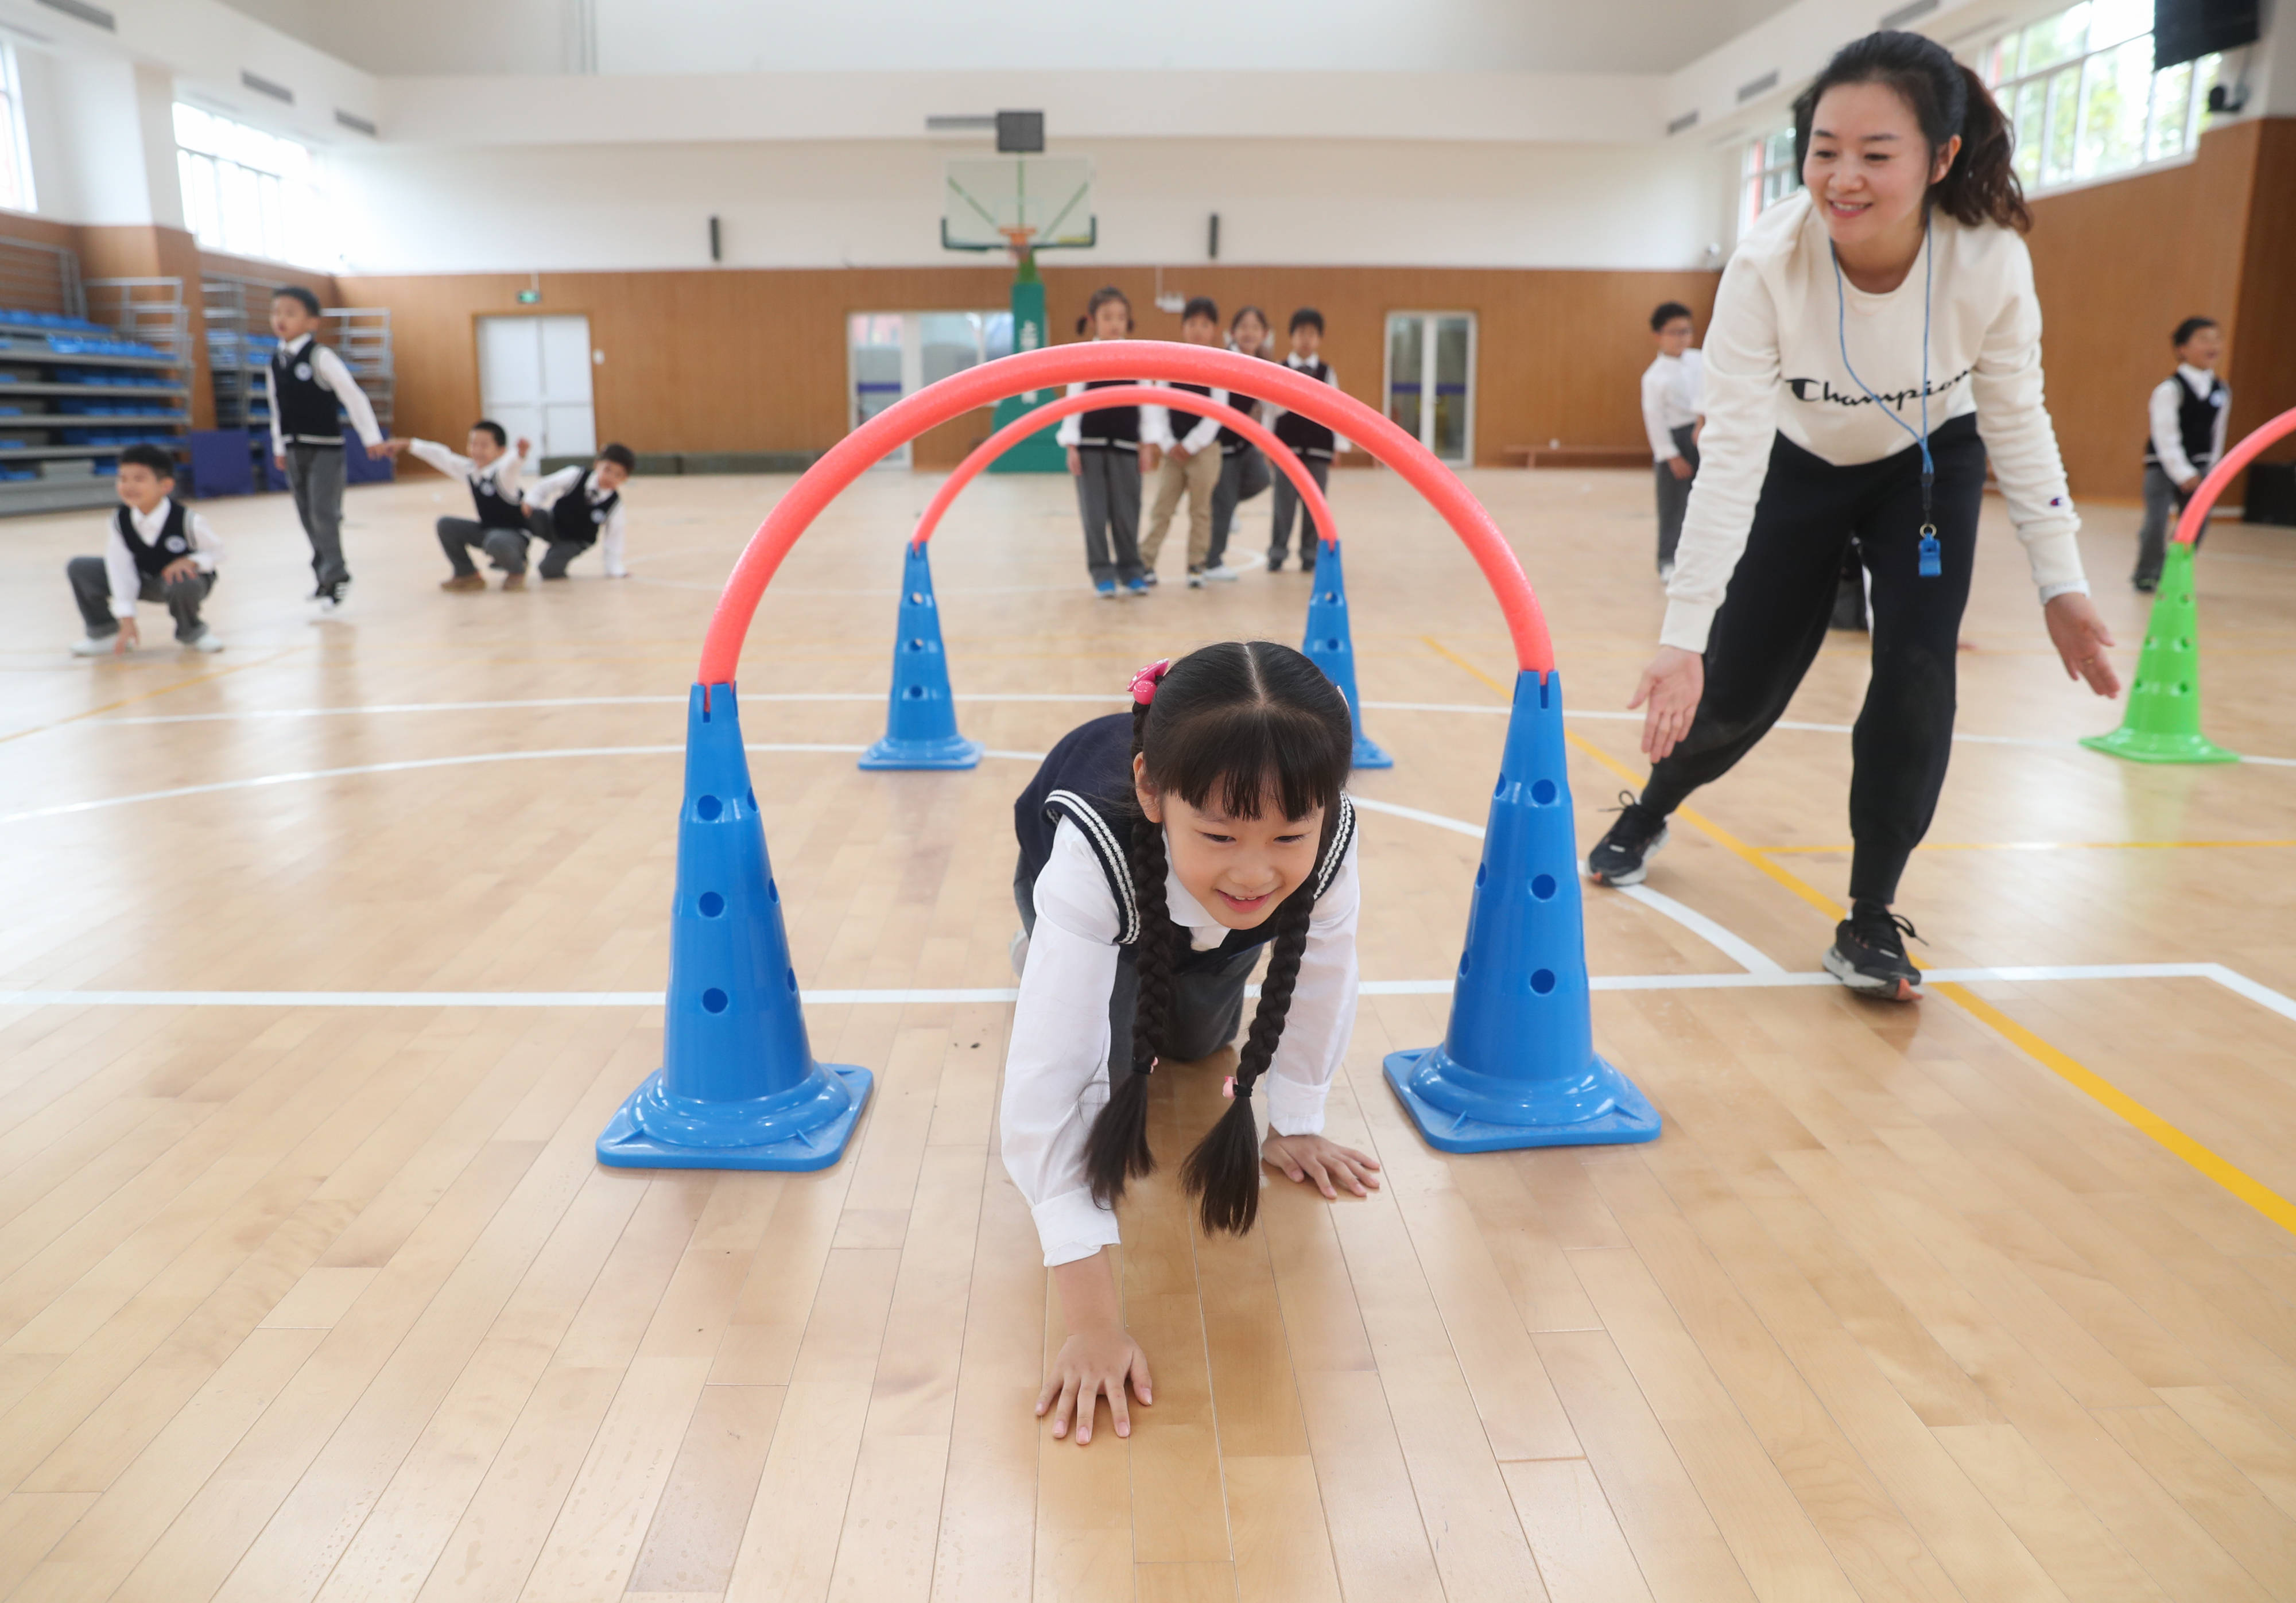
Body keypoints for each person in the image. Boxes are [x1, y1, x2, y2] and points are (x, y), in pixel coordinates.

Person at [1584, 30, 2121, 1000]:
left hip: (1926, 467)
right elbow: (1731, 454)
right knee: (1739, 681)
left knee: (1917, 675)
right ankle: (1654, 804)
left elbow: (2018, 421)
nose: (1845, 177)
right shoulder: (1765, 265)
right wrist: (1682, 632)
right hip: (1798, 462)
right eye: (1827, 149)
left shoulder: (1989, 262)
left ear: (1941, 158)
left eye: (1878, 154)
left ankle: (1872, 913)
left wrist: (2063, 581)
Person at [1005, 643, 1380, 1445]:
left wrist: (1297, 1118)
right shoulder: (1092, 848)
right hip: (1112, 899)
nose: (1254, 868)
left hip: (1209, 929)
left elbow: (1321, 974)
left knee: (1195, 1042)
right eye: (1220, 834)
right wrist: (1092, 1323)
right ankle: (1044, 957)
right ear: (1151, 788)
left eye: (1289, 837)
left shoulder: (1332, 838)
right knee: (1103, 1057)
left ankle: (1165, 965)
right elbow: (1047, 1093)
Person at [266, 285, 388, 615]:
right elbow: (276, 408)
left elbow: (353, 396)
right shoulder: (275, 361)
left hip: (326, 450)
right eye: (277, 312)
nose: (281, 319)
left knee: (324, 513)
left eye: (290, 313)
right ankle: (324, 574)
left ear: (312, 322)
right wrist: (279, 445)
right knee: (306, 515)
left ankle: (338, 574)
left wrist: (371, 437)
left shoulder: (321, 356)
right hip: (294, 449)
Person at [67, 443, 223, 656]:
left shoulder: (189, 521)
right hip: (145, 580)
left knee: (182, 578)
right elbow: (120, 569)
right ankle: (104, 634)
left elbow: (218, 552)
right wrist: (127, 619)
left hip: (185, 583)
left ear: (165, 485)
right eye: (123, 479)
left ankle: (193, 633)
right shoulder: (119, 521)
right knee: (80, 568)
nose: (129, 486)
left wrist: (193, 561)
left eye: (139, 479)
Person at [1056, 287, 1157, 598]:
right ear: (1093, 320)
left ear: (1129, 322)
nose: (1115, 324)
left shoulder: (1138, 357)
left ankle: (1132, 570)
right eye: (1107, 317)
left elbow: (1148, 403)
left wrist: (1147, 444)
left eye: (1121, 318)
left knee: (1128, 514)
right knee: (1095, 515)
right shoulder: (1084, 357)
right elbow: (1073, 402)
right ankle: (1102, 572)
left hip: (1127, 447)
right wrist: (1072, 445)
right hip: (1089, 447)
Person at [2132, 316, 2229, 592]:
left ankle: (2173, 572)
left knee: (2197, 523)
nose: (2212, 345)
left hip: (2201, 467)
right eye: (2202, 339)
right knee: (2156, 521)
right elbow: (2165, 435)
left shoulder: (2221, 390)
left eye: (2216, 339)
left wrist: (2213, 472)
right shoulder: (2169, 389)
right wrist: (2182, 472)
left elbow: (2217, 435)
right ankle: (2147, 573)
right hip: (2162, 466)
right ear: (2181, 349)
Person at [1138, 297, 1227, 588]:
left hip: (1204, 451)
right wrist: (1166, 443)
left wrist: (1191, 444)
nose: (1198, 330)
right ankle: (1146, 562)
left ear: (1214, 330)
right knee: (1162, 508)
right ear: (1183, 328)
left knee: (1200, 510)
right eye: (1192, 324)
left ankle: (1196, 564)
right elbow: (1158, 407)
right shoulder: (1170, 363)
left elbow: (1217, 413)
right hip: (1172, 452)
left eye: (1204, 324)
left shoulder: (1218, 366)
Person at [385, 424, 533, 591]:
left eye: (484, 445)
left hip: (514, 537)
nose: (477, 450)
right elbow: (442, 456)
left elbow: (512, 465)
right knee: (446, 525)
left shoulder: (503, 474)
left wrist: (519, 454)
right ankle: (467, 574)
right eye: (473, 444)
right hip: (487, 531)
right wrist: (407, 444)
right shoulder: (470, 471)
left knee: (496, 542)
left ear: (500, 451)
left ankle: (517, 570)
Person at [1265, 308, 1349, 573]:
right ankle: (1277, 552)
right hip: (1286, 449)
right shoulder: (1279, 368)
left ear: (1319, 339)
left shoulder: (1327, 372)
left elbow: (1337, 411)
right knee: (1283, 504)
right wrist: (1268, 443)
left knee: (1315, 503)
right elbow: (1270, 410)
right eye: (1301, 333)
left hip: (1318, 449)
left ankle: (1310, 553)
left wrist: (1338, 446)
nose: (1306, 339)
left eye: (1312, 334)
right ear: (1291, 336)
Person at [1204, 305, 1273, 583]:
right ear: (1232, 333)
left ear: (1265, 334)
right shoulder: (1225, 360)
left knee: (1262, 478)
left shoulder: (1265, 365)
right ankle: (1212, 561)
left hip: (1244, 443)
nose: (1249, 332)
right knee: (1221, 505)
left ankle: (1231, 505)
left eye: (1255, 327)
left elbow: (1271, 408)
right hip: (1222, 445)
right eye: (1243, 327)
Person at [1641, 301, 1704, 580]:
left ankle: (1700, 559)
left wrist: (1704, 421)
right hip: (1677, 439)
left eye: (1686, 331)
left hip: (1705, 431)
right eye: (1675, 332)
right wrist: (1671, 455)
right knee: (1673, 504)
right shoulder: (1654, 377)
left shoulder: (1702, 360)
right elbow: (1654, 419)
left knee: (1705, 501)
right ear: (1659, 335)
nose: (1682, 338)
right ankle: (1668, 560)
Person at [521, 444, 637, 579]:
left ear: (625, 479)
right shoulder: (576, 475)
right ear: (597, 464)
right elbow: (544, 486)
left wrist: (615, 568)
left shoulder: (615, 505)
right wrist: (529, 503)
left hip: (575, 541)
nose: (610, 477)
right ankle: (516, 556)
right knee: (520, 515)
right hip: (552, 523)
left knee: (549, 570)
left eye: (618, 475)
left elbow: (614, 537)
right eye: (607, 470)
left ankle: (557, 557)